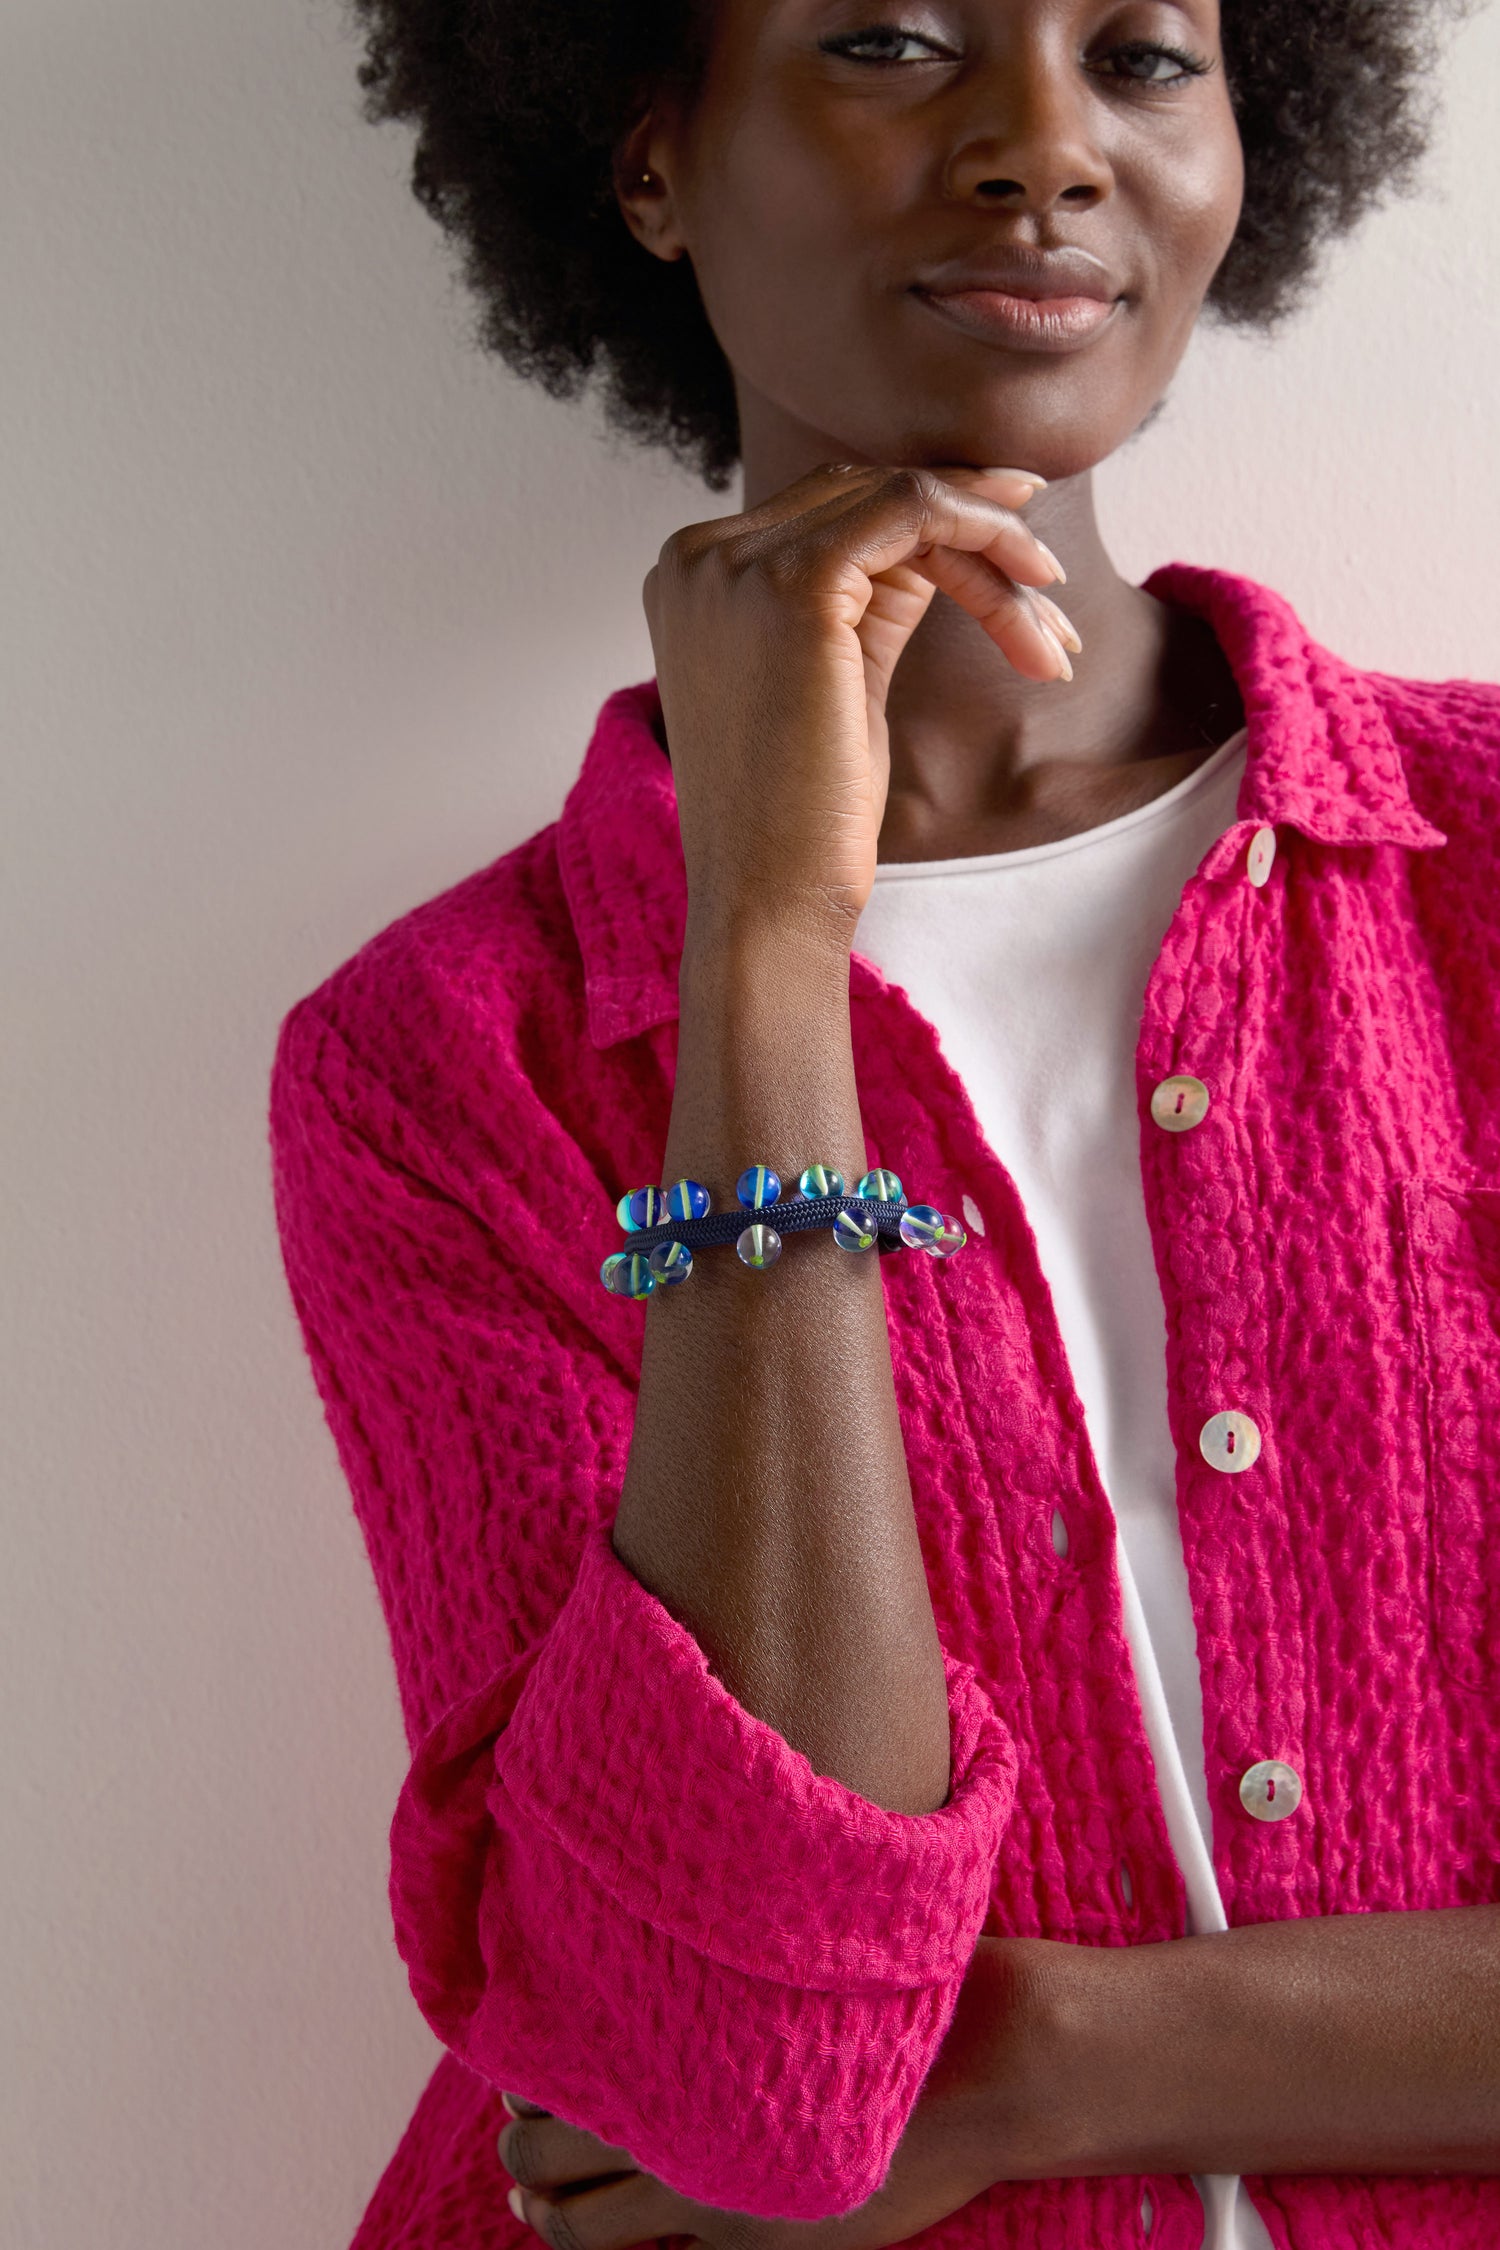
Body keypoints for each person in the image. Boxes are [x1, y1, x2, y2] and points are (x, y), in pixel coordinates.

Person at [267, 3, 1500, 2246]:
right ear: (647, 157)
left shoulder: (1485, 872)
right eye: (899, 41)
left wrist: (1036, 2066)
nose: (1045, 145)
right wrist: (758, 947)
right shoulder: (441, 1067)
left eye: (1142, 53)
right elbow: (725, 2059)